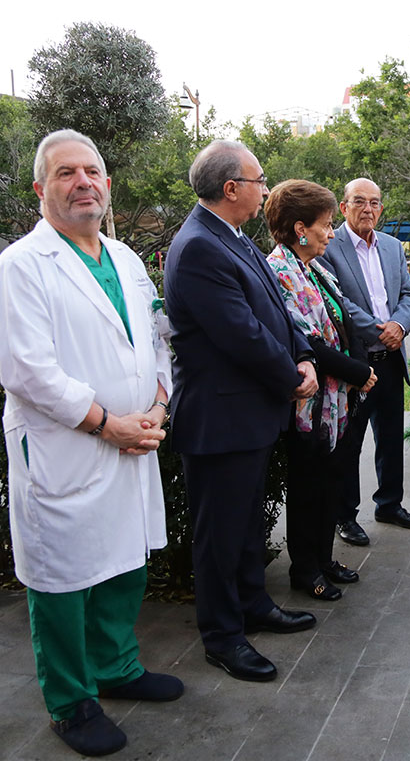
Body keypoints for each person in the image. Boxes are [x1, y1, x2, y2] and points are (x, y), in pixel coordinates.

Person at [0, 129, 181, 757]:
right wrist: (107, 423)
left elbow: (156, 338)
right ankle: (70, 701)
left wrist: (155, 404)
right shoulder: (21, 265)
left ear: (106, 183)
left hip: (133, 433)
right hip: (67, 444)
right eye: (66, 173)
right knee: (63, 574)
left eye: (92, 171)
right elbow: (27, 370)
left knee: (126, 554)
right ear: (41, 188)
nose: (83, 183)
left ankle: (118, 667)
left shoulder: (124, 259)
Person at [163, 140, 320, 684]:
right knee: (220, 535)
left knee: (248, 524)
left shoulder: (234, 238)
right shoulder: (199, 247)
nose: (265, 189)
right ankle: (223, 636)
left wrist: (302, 354)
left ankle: (255, 605)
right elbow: (241, 336)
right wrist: (292, 377)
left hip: (250, 415)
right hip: (220, 420)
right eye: (259, 179)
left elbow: (277, 311)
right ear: (231, 189)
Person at [264, 179, 377, 600]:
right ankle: (305, 569)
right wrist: (356, 370)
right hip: (309, 404)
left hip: (338, 401)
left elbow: (343, 320)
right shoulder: (278, 272)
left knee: (331, 483)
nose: (331, 233)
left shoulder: (316, 268)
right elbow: (304, 337)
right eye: (326, 225)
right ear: (299, 228)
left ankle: (325, 559)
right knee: (308, 487)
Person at [318, 178, 410, 546]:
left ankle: (390, 504)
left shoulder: (393, 247)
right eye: (359, 201)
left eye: (375, 202)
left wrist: (400, 325)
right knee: (350, 442)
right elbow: (337, 302)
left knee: (391, 438)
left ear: (381, 208)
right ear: (344, 207)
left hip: (391, 361)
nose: (368, 209)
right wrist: (380, 330)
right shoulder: (330, 247)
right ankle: (345, 516)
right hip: (356, 363)